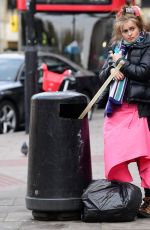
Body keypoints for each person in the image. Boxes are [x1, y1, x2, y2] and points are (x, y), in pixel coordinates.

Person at [99, 5, 150, 218]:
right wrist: (111, 69)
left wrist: (123, 64)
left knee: (144, 157)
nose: (129, 34)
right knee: (114, 152)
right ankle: (123, 194)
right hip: (117, 108)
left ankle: (149, 198)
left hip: (139, 108)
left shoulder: (148, 46)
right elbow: (101, 75)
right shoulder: (117, 48)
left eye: (132, 29)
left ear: (139, 27)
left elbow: (144, 73)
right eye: (124, 31)